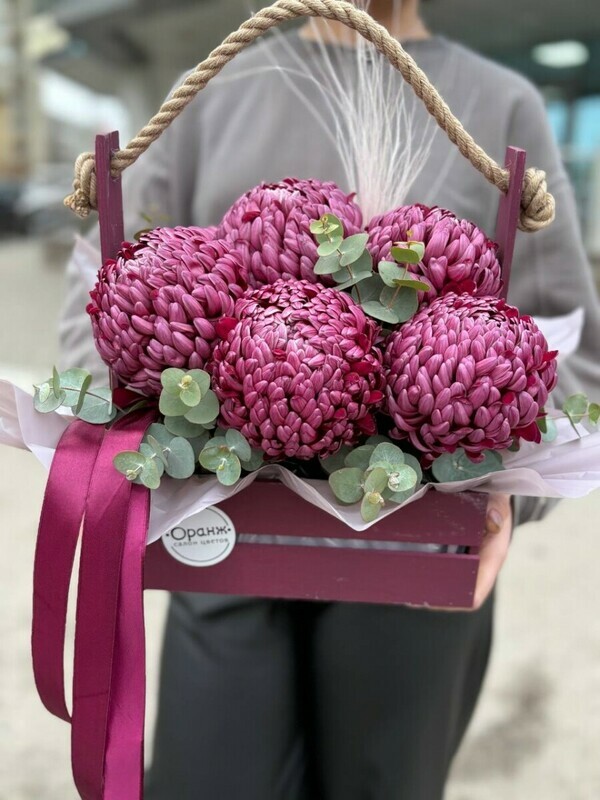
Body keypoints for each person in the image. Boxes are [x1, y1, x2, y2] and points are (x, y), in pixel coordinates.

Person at [59, 1, 600, 798]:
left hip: (412, 554)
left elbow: (568, 353)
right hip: (221, 538)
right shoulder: (212, 91)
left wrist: (509, 491)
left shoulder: (501, 103)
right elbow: (101, 299)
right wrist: (131, 448)